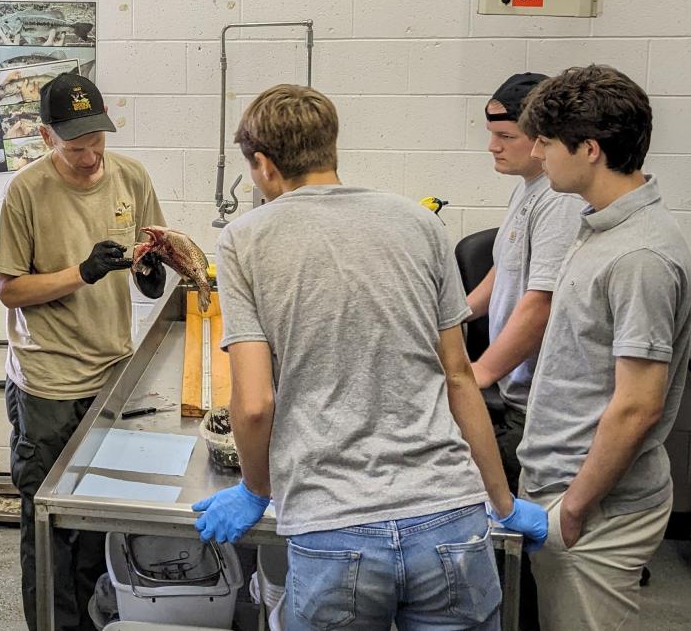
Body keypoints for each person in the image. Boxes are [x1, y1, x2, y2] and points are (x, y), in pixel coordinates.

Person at [192, 83, 547, 631]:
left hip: (333, 529)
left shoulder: (245, 240)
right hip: (449, 518)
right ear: (332, 148)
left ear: (262, 164)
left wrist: (254, 490)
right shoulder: (420, 223)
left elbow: (255, 402)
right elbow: (459, 378)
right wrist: (502, 501)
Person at [514, 64, 691, 631]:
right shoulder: (600, 227)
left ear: (589, 148)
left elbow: (638, 405)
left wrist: (573, 510)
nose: (538, 155)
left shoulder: (638, 257)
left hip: (594, 508)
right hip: (562, 485)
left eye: (547, 143)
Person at [0, 71, 168, 631]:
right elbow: (11, 290)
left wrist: (150, 272)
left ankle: (94, 622)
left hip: (110, 377)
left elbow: (155, 251)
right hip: (46, 382)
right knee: (48, 525)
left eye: (97, 141)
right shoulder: (25, 192)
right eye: (76, 147)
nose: (91, 156)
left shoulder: (131, 177)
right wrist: (82, 272)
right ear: (47, 138)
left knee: (96, 521)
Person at [465, 72, 586, 488]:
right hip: (514, 390)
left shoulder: (559, 202)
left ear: (541, 140)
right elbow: (505, 267)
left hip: (535, 407)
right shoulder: (530, 186)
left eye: (506, 136)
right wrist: (454, 315)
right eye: (491, 134)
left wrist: (478, 373)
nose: (492, 146)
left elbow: (543, 303)